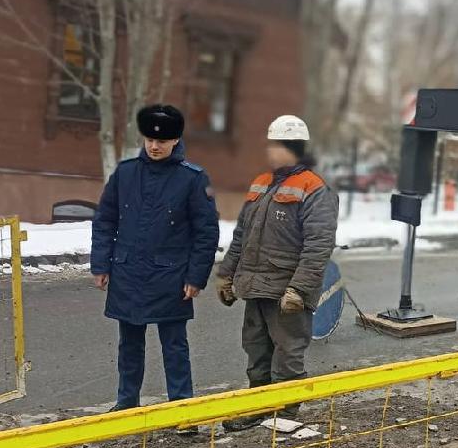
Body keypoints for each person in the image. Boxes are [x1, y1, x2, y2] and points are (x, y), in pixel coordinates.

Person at [90, 104, 220, 416]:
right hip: (128, 273)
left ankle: (182, 408)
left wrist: (195, 278)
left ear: (176, 140)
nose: (154, 145)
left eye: (162, 141)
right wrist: (101, 264)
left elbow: (206, 233)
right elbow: (105, 220)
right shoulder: (125, 173)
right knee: (129, 346)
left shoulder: (192, 179)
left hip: (171, 279)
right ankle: (126, 404)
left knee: (175, 347)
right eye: (150, 139)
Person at [215, 115, 338, 431]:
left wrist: (298, 289)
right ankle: (259, 404)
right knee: (256, 348)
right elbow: (242, 234)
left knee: (287, 351)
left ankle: (284, 412)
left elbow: (318, 246)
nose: (269, 151)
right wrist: (226, 273)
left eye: (275, 145)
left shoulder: (315, 189)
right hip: (255, 286)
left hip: (286, 291)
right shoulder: (262, 182)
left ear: (293, 147)